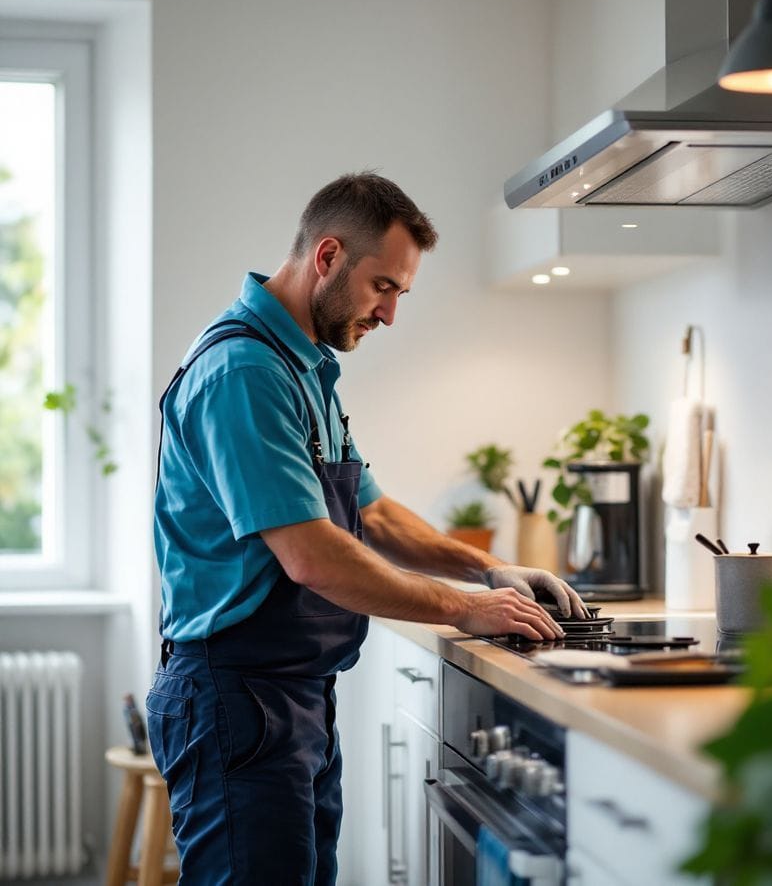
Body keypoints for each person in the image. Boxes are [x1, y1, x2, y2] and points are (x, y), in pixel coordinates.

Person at [150, 172, 588, 885]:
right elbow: (313, 558)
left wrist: (487, 570)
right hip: (233, 700)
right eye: (383, 287)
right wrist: (466, 608)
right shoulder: (244, 371)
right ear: (327, 257)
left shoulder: (303, 368)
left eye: (399, 294)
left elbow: (375, 513)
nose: (389, 314)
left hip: (291, 698)